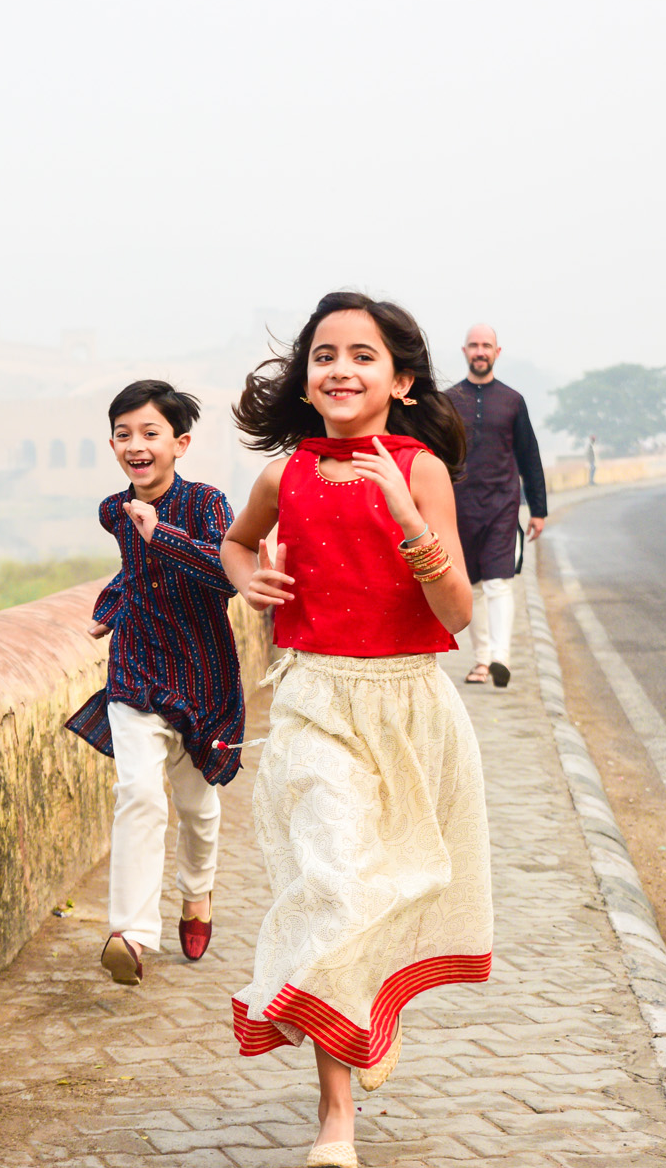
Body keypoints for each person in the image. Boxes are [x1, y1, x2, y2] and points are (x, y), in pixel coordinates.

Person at [222, 292, 492, 1167]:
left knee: (395, 882)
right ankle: (335, 1116)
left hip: (409, 706)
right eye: (324, 354)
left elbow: (455, 612)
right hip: (313, 701)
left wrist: (407, 518)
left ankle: (370, 1003)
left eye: (363, 355)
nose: (340, 369)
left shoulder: (421, 470)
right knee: (335, 881)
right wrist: (248, 582)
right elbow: (236, 543)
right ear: (307, 378)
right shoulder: (283, 473)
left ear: (402, 380)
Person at [65, 380, 243, 986]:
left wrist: (157, 532)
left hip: (201, 675)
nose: (135, 446)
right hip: (136, 669)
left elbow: (225, 574)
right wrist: (108, 609)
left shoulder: (207, 502)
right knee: (138, 791)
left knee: (198, 805)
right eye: (123, 434)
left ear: (180, 442)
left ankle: (198, 895)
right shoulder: (114, 510)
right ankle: (133, 934)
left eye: (149, 433)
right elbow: (133, 575)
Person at [443, 324, 548, 689]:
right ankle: (481, 661)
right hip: (459, 506)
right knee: (471, 585)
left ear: (497, 352)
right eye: (474, 345)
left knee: (499, 582)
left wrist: (538, 508)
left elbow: (529, 455)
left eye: (486, 345)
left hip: (503, 504)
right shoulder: (448, 400)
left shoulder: (513, 401)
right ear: (464, 351)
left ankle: (501, 658)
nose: (480, 351)